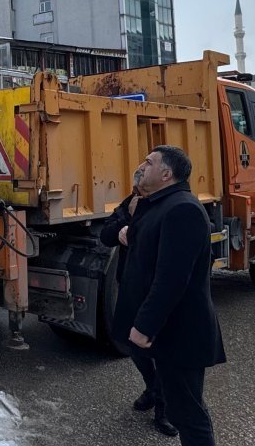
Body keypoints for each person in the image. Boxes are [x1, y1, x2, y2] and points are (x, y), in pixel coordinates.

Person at [112, 145, 226, 446]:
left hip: (181, 332)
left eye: (148, 162)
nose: (141, 166)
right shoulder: (157, 205)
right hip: (168, 332)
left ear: (166, 174)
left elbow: (172, 279)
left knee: (188, 413)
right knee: (180, 407)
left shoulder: (183, 210)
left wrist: (144, 326)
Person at [100, 169, 178, 437]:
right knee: (131, 343)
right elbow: (105, 233)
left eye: (143, 178)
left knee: (161, 348)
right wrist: (120, 229)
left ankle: (164, 409)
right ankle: (152, 386)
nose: (139, 184)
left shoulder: (169, 206)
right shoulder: (131, 202)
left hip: (156, 288)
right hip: (131, 286)